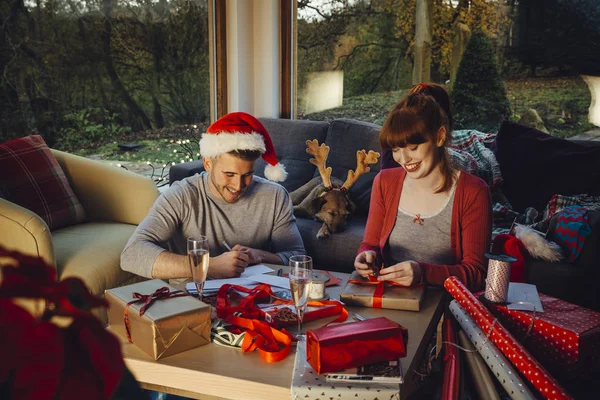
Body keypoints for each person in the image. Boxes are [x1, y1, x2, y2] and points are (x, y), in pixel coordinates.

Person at [121, 112, 306, 279]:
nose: (238, 185)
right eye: (229, 174)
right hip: (191, 300)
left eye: (247, 175)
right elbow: (132, 254)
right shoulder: (181, 195)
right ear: (208, 164)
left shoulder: (274, 196)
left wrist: (260, 255)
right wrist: (206, 266)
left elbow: (298, 257)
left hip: (256, 298)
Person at [354, 83, 492, 291]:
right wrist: (366, 256)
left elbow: (477, 274)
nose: (404, 159)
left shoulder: (473, 192)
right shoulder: (384, 182)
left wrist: (423, 273)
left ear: (439, 136)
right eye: (396, 149)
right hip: (389, 299)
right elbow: (370, 244)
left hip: (444, 308)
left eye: (413, 147)